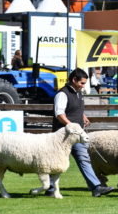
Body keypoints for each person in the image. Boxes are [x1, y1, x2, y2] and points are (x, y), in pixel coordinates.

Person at [47, 68, 114, 197]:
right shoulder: (62, 94)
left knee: (84, 158)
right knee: (55, 162)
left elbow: (74, 108)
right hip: (63, 136)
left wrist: (83, 116)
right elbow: (59, 114)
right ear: (74, 80)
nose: (83, 86)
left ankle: (96, 187)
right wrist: (71, 126)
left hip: (76, 135)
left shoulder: (78, 92)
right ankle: (50, 188)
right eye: (82, 83)